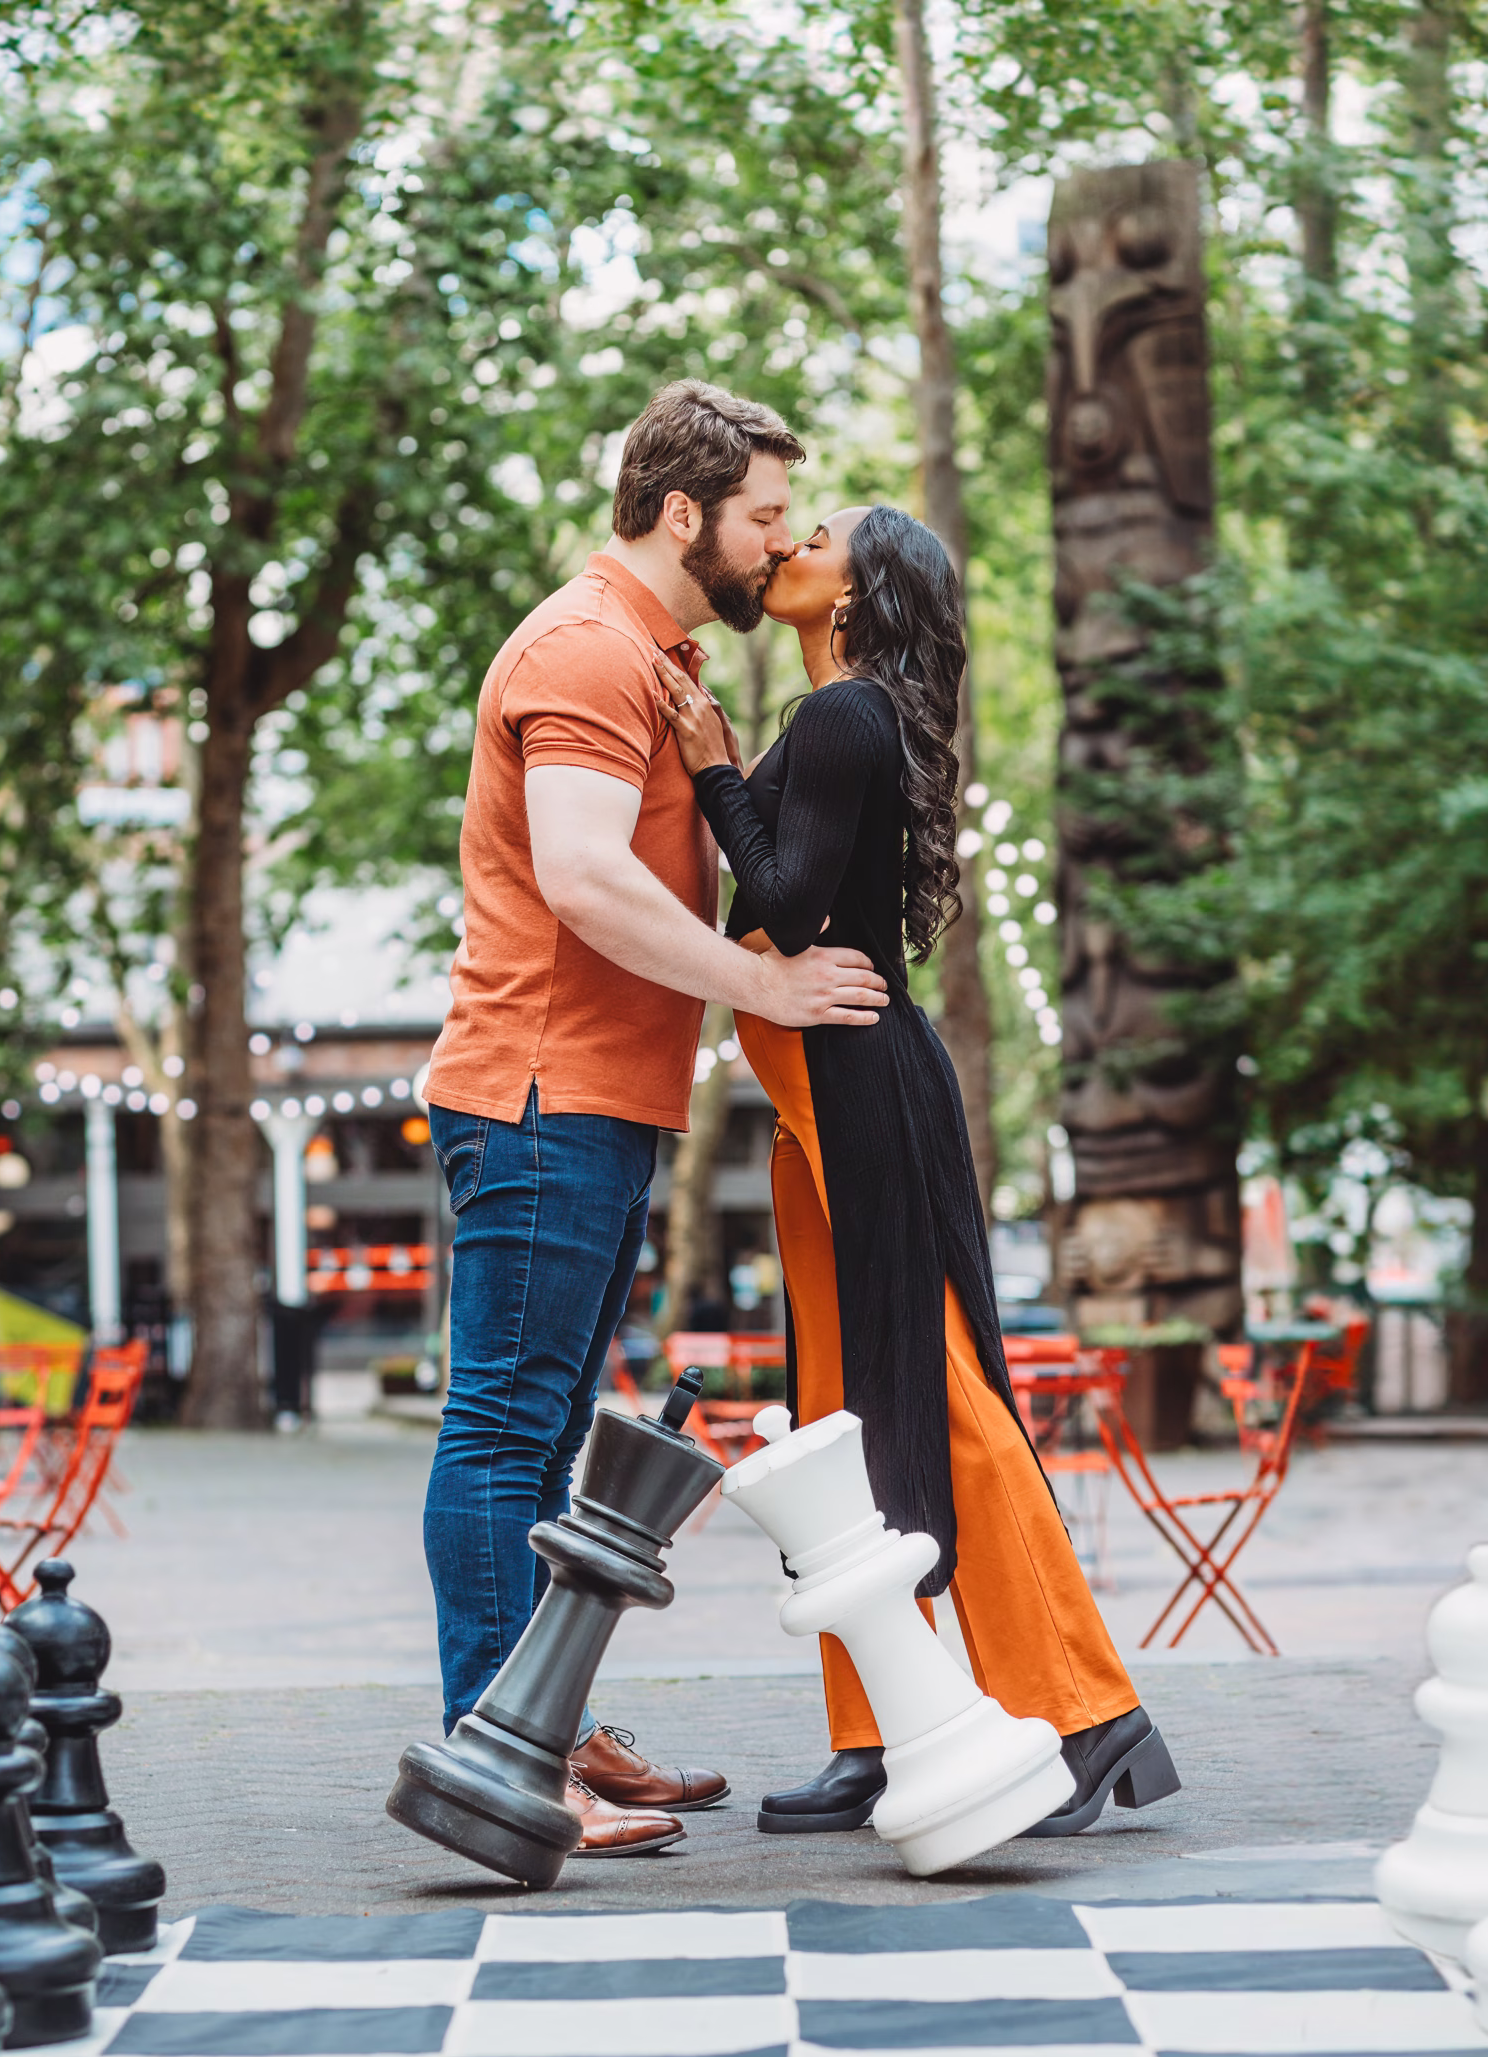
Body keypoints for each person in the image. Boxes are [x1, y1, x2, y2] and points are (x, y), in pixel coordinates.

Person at [655, 503, 1181, 1837]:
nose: (789, 541)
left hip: (856, 1083)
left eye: (817, 533)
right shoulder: (840, 712)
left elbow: (779, 904)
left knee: (938, 1399)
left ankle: (1083, 1709)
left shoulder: (844, 719)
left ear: (857, 592)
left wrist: (715, 770)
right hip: (808, 1094)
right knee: (835, 1422)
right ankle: (882, 1727)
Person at [421, 382, 891, 1856]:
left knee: (550, 1432)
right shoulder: (583, 648)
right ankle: (503, 1762)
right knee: (504, 1431)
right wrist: (758, 978)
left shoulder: (657, 656)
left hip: (599, 1104)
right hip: (537, 1093)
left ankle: (542, 1728)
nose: (774, 546)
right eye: (760, 517)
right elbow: (579, 873)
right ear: (682, 513)